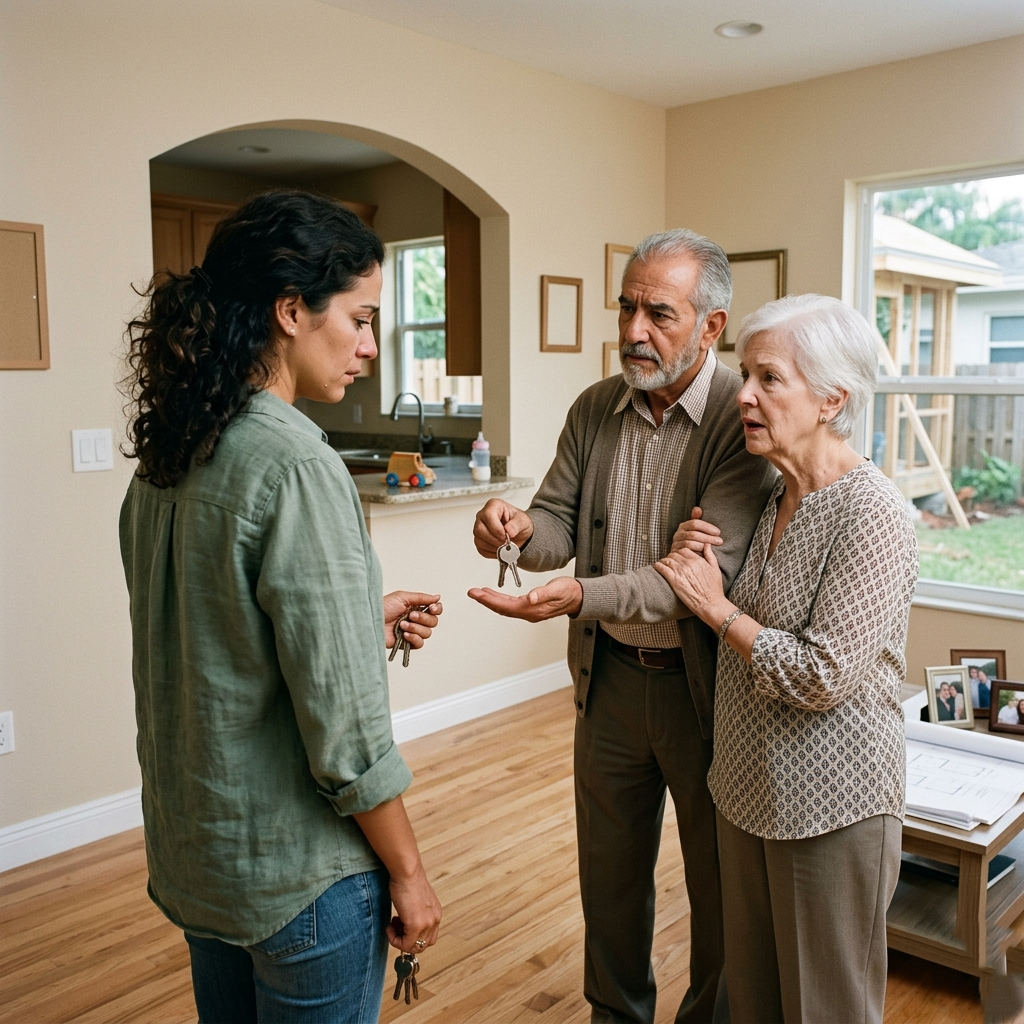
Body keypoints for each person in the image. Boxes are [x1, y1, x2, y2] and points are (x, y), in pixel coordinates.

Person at [119, 191, 443, 1024]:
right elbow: (347, 735)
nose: (371, 346)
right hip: (302, 876)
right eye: (362, 318)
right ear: (291, 310)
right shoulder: (298, 464)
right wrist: (408, 870)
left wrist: (354, 622)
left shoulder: (170, 454)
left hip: (203, 855)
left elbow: (207, 638)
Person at [470, 229, 777, 1022]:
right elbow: (557, 522)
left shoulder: (738, 424)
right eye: (627, 307)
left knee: (717, 897)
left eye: (660, 314)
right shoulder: (596, 408)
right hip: (606, 684)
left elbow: (695, 584)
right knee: (608, 882)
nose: (634, 330)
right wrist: (514, 529)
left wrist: (581, 596)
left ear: (710, 327)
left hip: (703, 694)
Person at [653, 294, 917, 1024]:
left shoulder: (875, 515)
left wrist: (717, 607)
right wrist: (693, 572)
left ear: (833, 398)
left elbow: (822, 674)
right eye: (745, 375)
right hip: (744, 792)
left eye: (770, 379)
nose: (743, 396)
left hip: (834, 808)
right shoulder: (773, 496)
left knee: (826, 1009)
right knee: (757, 1006)